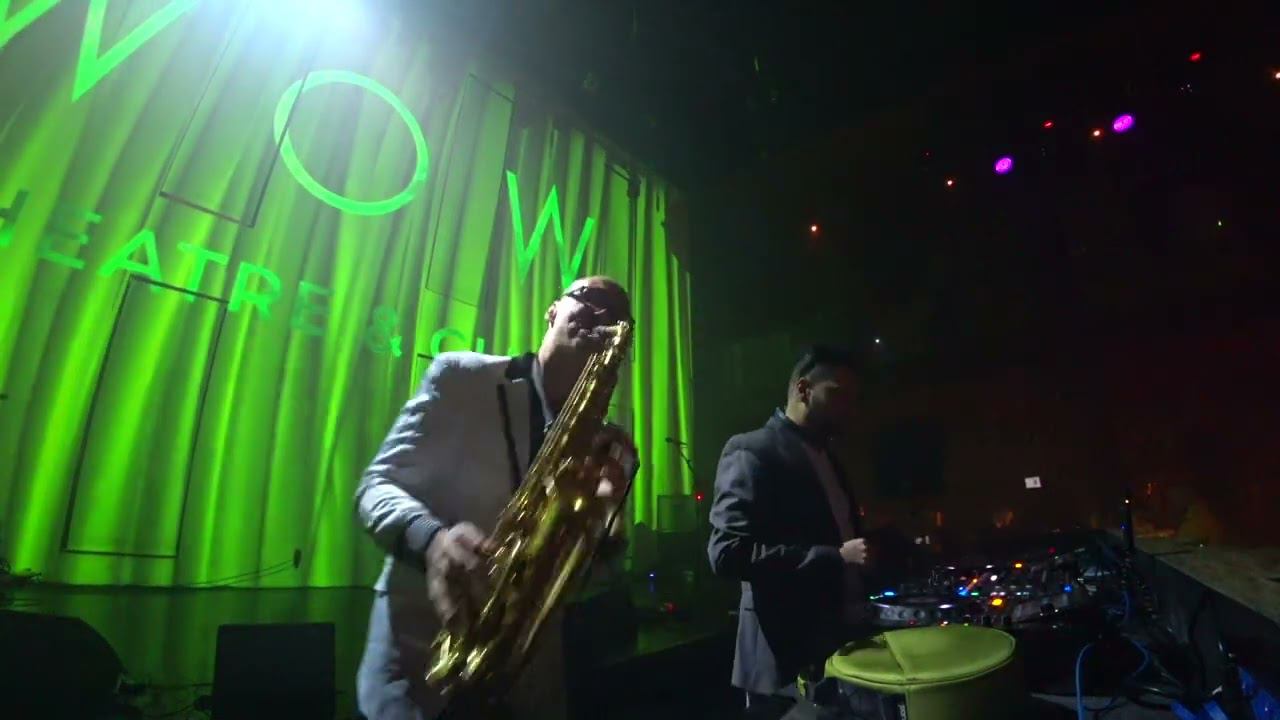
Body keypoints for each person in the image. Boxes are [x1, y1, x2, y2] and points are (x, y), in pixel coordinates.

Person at [355, 276, 637, 720]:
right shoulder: (463, 377)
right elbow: (376, 486)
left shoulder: (602, 443)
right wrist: (432, 541)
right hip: (424, 675)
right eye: (591, 298)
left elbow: (586, 573)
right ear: (552, 310)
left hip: (527, 686)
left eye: (616, 315)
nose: (602, 315)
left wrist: (604, 522)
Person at [707, 346, 871, 719]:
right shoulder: (751, 450)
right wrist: (834, 556)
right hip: (780, 665)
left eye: (853, 397)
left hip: (830, 653)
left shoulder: (829, 458)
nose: (848, 407)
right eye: (838, 394)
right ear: (803, 390)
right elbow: (726, 554)